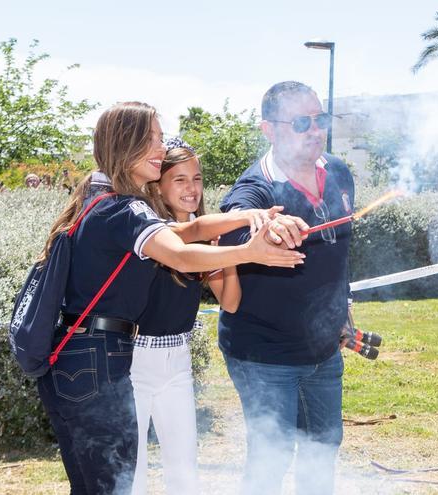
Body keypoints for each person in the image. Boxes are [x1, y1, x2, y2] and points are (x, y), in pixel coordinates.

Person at [36, 101, 305, 495]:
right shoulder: (125, 209)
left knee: (105, 485)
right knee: (120, 486)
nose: (162, 150)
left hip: (81, 358)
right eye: (154, 140)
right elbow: (178, 251)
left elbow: (188, 230)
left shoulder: (101, 197)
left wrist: (250, 217)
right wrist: (250, 252)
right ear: (127, 145)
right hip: (101, 359)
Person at [218, 81, 353, 495]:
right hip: (264, 355)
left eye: (320, 119)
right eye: (300, 122)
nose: (315, 130)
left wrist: (342, 311)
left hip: (324, 351)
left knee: (322, 452)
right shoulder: (255, 187)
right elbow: (236, 217)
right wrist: (264, 223)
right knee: (269, 463)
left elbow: (338, 257)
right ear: (270, 130)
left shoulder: (340, 172)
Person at [130, 138, 247, 495]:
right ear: (159, 184)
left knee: (184, 470)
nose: (191, 188)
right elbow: (180, 253)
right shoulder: (149, 232)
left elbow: (230, 303)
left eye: (196, 179)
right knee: (131, 469)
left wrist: (227, 254)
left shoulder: (204, 233)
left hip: (177, 361)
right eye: (179, 179)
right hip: (132, 361)